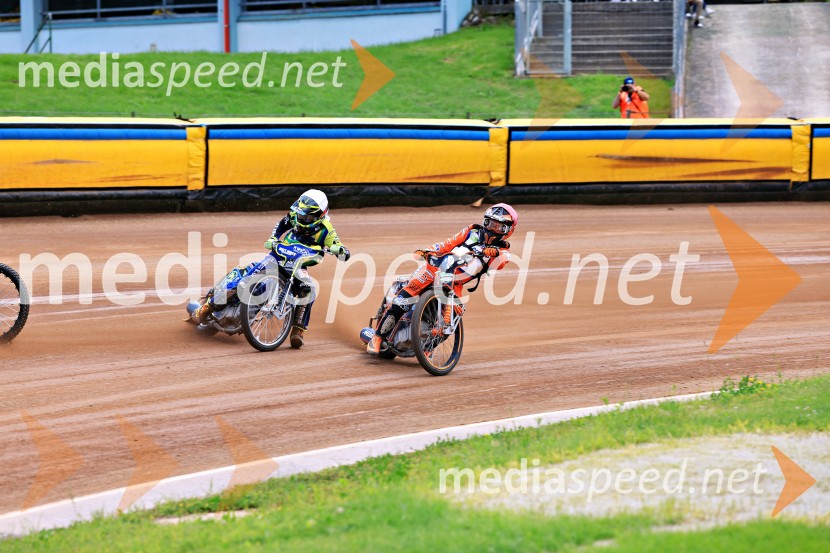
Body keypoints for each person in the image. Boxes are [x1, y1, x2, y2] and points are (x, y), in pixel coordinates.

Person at [195, 189, 350, 349]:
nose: (301, 218)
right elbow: (281, 225)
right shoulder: (294, 216)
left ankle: (297, 331)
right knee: (246, 278)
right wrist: (273, 238)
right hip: (277, 256)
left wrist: (341, 250)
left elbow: (337, 245)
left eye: (307, 216)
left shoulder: (326, 229)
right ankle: (209, 306)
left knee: (308, 291)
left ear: (320, 215)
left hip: (297, 265)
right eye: (300, 214)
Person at [367, 204, 518, 355]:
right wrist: (428, 250)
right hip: (435, 269)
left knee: (455, 315)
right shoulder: (471, 231)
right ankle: (378, 337)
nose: (492, 229)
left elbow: (503, 261)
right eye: (490, 223)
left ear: (508, 230)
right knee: (404, 298)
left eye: (499, 227)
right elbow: (448, 244)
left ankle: (427, 347)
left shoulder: (503, 251)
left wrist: (494, 252)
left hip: (455, 283)